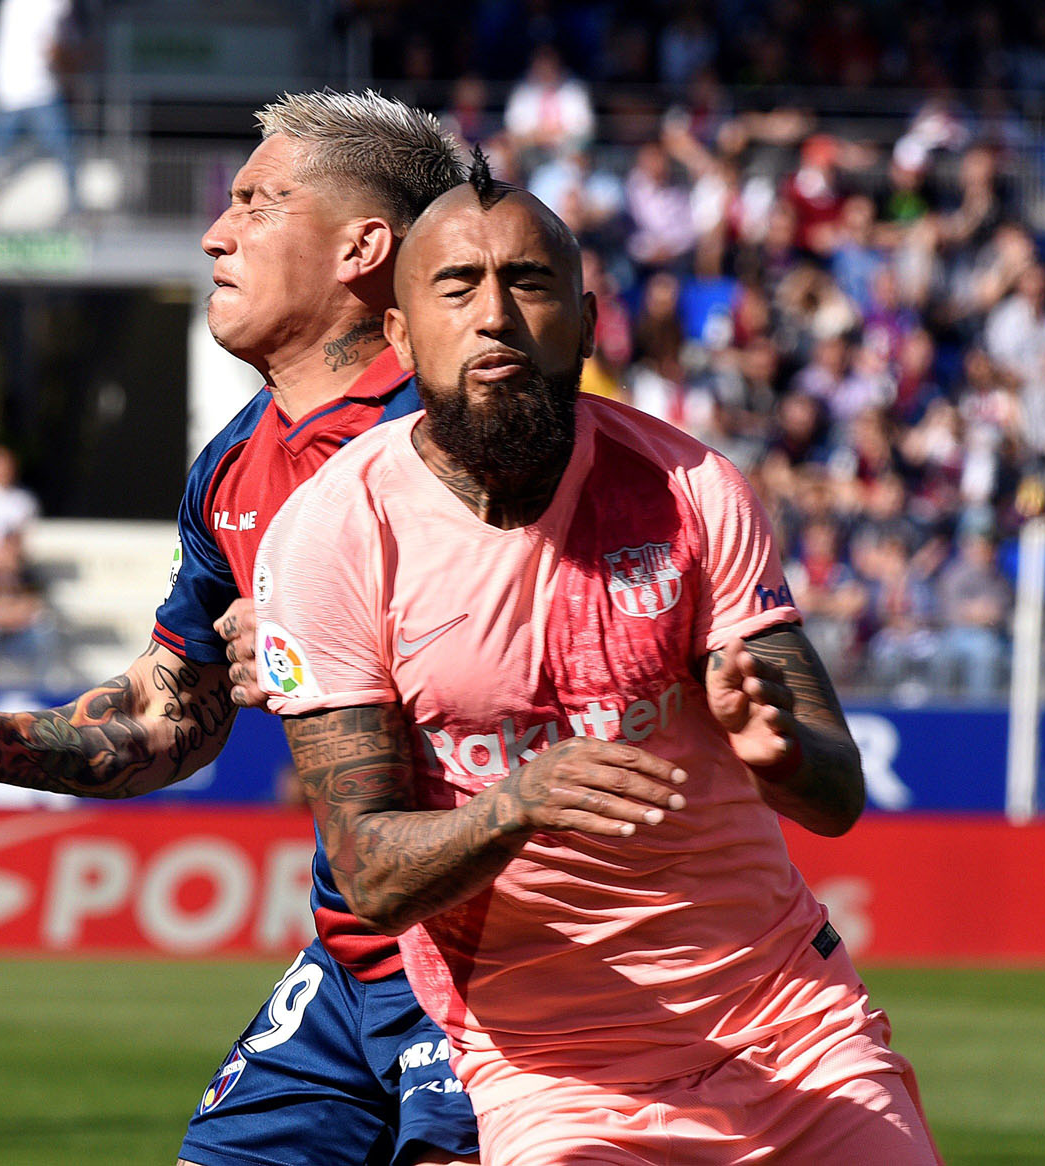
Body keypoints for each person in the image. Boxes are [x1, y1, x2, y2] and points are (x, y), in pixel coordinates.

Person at [253, 165, 938, 1164]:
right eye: (456, 286)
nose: (494, 314)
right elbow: (366, 874)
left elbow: (835, 794)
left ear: (584, 318)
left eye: (527, 282)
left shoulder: (693, 488)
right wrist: (517, 803)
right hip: (554, 1074)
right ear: (399, 336)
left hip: (792, 1030)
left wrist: (777, 746)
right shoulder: (334, 531)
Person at [0, 91, 481, 1166]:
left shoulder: (459, 434)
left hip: (498, 951)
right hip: (353, 953)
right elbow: (172, 711)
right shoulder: (233, 463)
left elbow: (564, 653)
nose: (215, 231)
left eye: (255, 200)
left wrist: (326, 631)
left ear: (361, 246)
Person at [0, 0, 79, 216]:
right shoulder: (52, 5)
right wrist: (71, 79)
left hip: (9, 89)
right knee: (65, 148)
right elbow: (54, 48)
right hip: (38, 91)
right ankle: (76, 208)